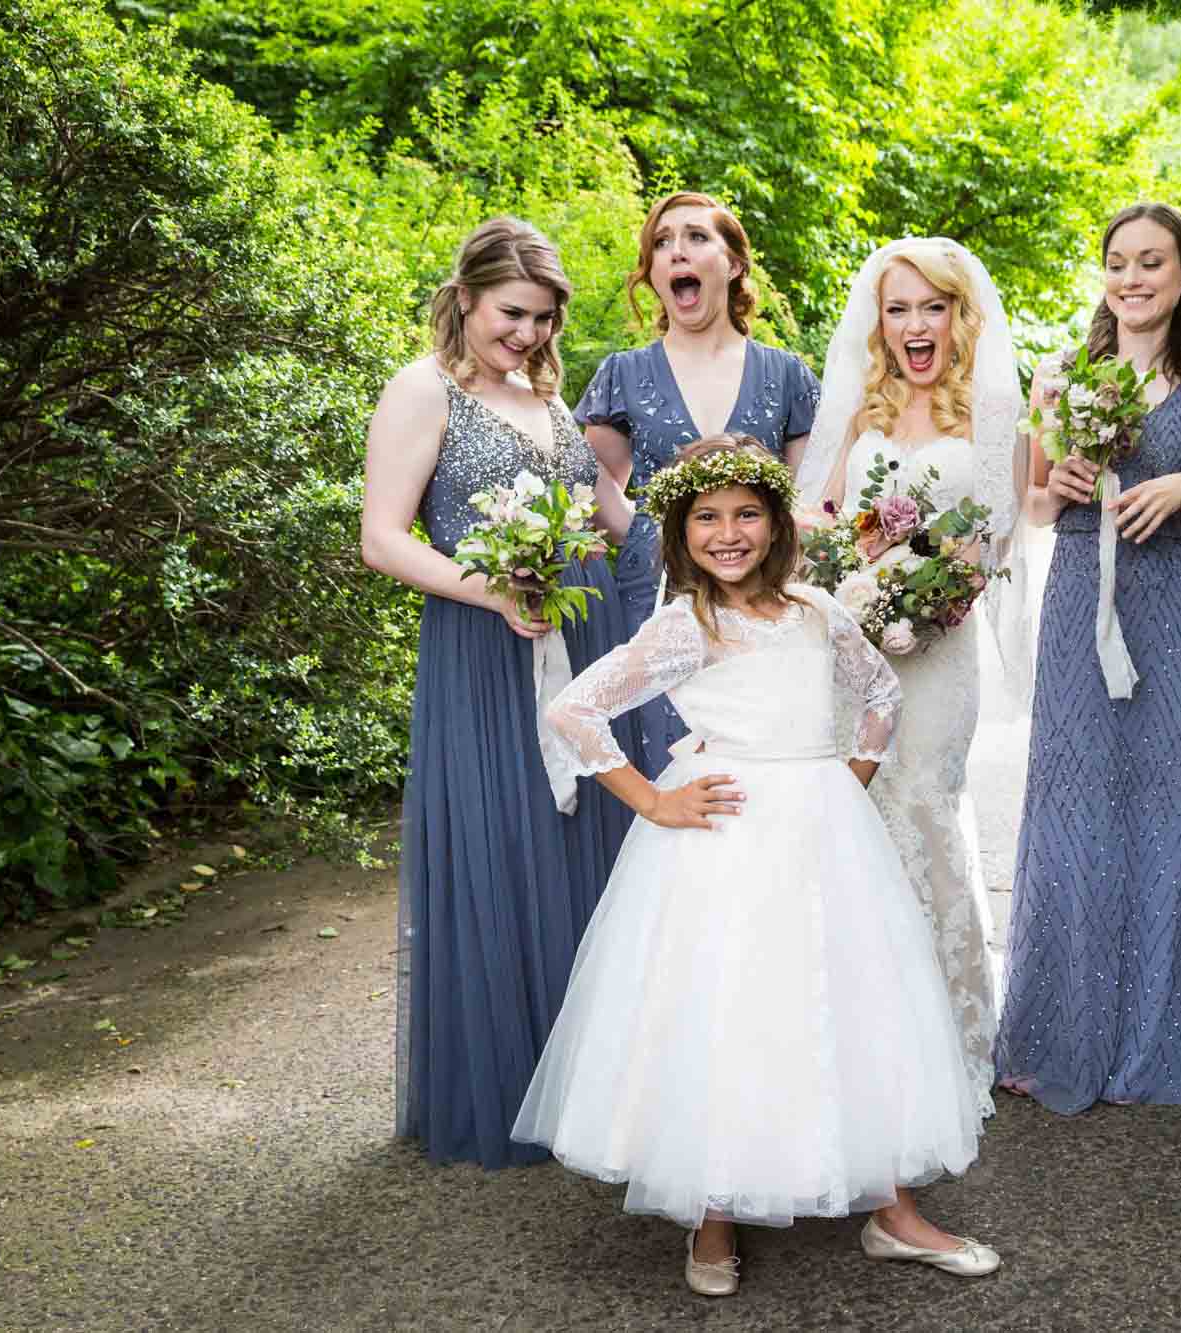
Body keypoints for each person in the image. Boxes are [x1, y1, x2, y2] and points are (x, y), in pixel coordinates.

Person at [513, 438, 999, 1296]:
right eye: (707, 516)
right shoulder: (684, 624)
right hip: (726, 841)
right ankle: (715, 1210)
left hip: (822, 833)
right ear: (680, 530)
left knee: (852, 998)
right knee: (726, 1004)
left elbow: (880, 696)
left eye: (746, 514)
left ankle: (892, 1208)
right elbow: (575, 706)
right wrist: (656, 801)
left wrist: (844, 780)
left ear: (776, 523)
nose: (728, 533)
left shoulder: (817, 611)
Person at [359, 216, 641, 1168]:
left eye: (543, 320)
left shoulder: (550, 403)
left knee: (580, 848)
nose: (526, 335)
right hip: (487, 646)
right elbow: (384, 537)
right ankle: (509, 1081)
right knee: (501, 840)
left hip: (583, 634)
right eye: (513, 315)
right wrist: (496, 590)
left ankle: (591, 1082)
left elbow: (618, 525)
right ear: (468, 297)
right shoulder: (421, 390)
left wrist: (741, 525)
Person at [993, 203, 1181, 1113]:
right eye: (1117, 263)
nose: (1131, 279)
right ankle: (1059, 1030)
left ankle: (1157, 1039)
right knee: (1070, 805)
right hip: (1076, 608)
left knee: (1170, 805)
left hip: (1170, 606)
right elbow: (1035, 507)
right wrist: (1052, 482)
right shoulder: (1061, 373)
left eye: (1151, 263)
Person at [796, 237, 1027, 1119]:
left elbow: (998, 540)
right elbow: (817, 525)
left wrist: (936, 587)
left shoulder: (994, 410)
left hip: (938, 654)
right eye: (898, 308)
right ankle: (854, 1036)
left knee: (923, 809)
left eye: (933, 307)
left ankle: (945, 1040)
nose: (914, 325)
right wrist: (843, 577)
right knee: (854, 823)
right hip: (853, 655)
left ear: (960, 317)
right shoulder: (860, 409)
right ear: (878, 320)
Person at [575, 191, 820, 776]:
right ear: (654, 274)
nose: (676, 251)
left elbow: (807, 500)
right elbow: (592, 489)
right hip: (654, 592)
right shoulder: (623, 374)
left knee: (752, 760)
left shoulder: (787, 375)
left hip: (757, 598)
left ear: (733, 264)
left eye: (695, 237)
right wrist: (646, 532)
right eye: (662, 243)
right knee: (664, 764)